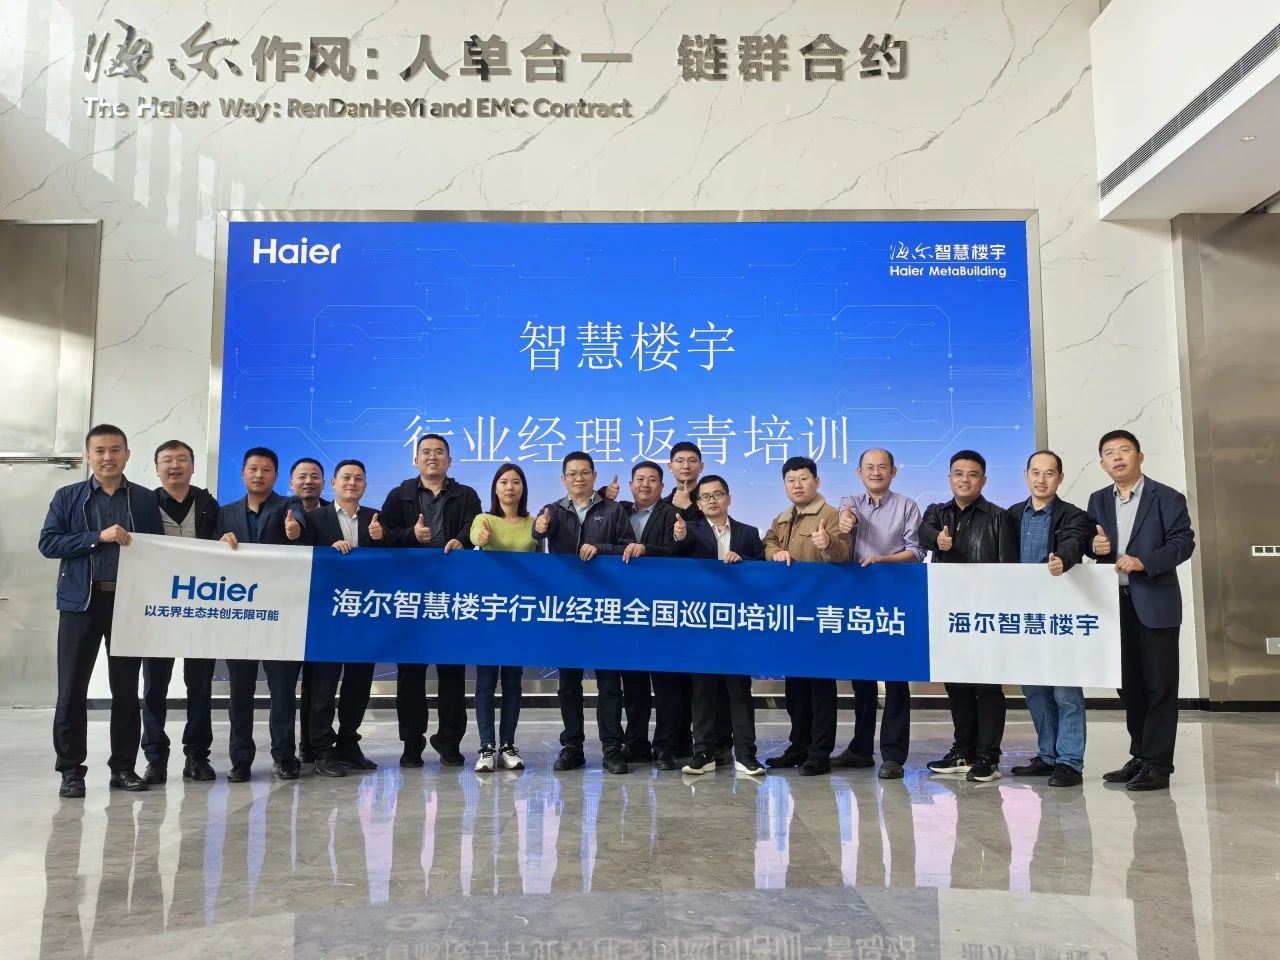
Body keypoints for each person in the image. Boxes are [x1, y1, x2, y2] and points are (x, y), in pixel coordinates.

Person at [39, 424, 165, 798]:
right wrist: (98, 537)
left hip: (127, 604)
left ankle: (123, 767)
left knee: (126, 690)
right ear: (88, 455)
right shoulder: (68, 496)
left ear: (127, 455)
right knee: (71, 689)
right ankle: (71, 771)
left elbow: (156, 549)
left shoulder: (144, 499)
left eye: (115, 450)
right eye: (100, 451)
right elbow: (48, 543)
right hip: (81, 603)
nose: (108, 457)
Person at [1087, 430, 1195, 791]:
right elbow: (1094, 547)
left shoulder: (1166, 497)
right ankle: (1141, 755)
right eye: (1109, 453)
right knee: (1129, 686)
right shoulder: (1098, 500)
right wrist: (1094, 546)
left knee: (1159, 686)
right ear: (1102, 463)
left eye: (1124, 450)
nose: (1117, 457)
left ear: (1140, 456)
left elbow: (1183, 543)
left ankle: (1158, 765)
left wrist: (1143, 562)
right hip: (1114, 605)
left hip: (1155, 603)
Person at [377, 433, 481, 768]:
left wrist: (462, 541)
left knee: (452, 672)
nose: (432, 456)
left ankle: (449, 742)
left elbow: (474, 528)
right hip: (412, 594)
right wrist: (411, 535)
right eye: (425, 452)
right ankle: (412, 744)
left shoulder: (466, 495)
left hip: (452, 593)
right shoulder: (399, 496)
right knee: (410, 673)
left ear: (449, 460)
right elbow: (383, 537)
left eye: (439, 452)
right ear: (416, 460)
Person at [532, 451, 636, 773]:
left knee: (609, 682)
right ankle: (572, 746)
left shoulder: (613, 510)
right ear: (563, 479)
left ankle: (611, 748)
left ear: (594, 476)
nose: (579, 478)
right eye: (572, 473)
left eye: (584, 472)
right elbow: (538, 534)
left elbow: (628, 548)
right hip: (568, 608)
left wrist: (600, 549)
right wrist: (538, 528)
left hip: (606, 606)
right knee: (568, 683)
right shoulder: (552, 510)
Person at [216, 446, 310, 782]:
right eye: (253, 469)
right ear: (243, 473)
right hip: (239, 615)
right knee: (239, 691)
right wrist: (218, 541)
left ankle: (284, 756)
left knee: (282, 690)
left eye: (266, 470)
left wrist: (294, 530)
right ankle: (240, 759)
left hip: (279, 615)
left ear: (276, 476)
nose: (259, 475)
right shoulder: (225, 513)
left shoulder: (289, 505)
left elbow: (298, 523)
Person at [830, 448, 924, 780]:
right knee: (862, 680)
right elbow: (845, 517)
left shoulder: (907, 506)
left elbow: (916, 551)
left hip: (895, 600)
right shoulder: (850, 502)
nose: (875, 472)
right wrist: (846, 521)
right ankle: (860, 749)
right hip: (858, 601)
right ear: (859, 473)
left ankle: (894, 755)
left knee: (896, 680)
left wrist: (883, 561)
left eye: (882, 467)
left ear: (893, 472)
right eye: (869, 467)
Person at [919, 449, 1012, 782]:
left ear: (983, 480)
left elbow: (1008, 566)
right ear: (949, 478)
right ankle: (963, 751)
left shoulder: (999, 516)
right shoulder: (937, 511)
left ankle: (988, 756)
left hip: (986, 612)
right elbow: (923, 533)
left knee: (986, 687)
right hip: (949, 612)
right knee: (957, 684)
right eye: (958, 474)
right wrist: (937, 540)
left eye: (972, 474)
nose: (965, 480)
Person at [1004, 450, 1094, 787]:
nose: (1041, 480)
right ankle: (1048, 755)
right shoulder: (1011, 515)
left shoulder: (1074, 515)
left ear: (1060, 478)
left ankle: (1070, 761)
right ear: (1026, 475)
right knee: (1035, 690)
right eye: (1035, 472)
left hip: (1059, 616)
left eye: (1049, 473)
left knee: (1065, 691)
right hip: (1022, 615)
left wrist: (1063, 561)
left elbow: (1074, 542)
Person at [762, 456, 853, 776]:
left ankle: (819, 752)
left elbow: (843, 555)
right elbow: (768, 542)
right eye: (791, 480)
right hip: (791, 614)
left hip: (820, 613)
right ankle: (798, 745)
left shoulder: (832, 516)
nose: (797, 485)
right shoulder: (782, 518)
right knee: (796, 687)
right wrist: (774, 552)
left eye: (803, 479)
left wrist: (827, 543)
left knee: (820, 687)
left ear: (817, 481)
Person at [672, 475, 767, 776]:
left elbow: (763, 570)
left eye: (718, 494)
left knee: (739, 691)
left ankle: (747, 755)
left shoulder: (748, 533)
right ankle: (703, 753)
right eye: (705, 497)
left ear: (728, 498)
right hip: (701, 623)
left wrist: (745, 560)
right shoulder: (690, 530)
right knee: (702, 692)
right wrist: (679, 536)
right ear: (698, 504)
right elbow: (678, 554)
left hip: (737, 625)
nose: (712, 500)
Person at [141, 440, 221, 785]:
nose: (175, 466)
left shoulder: (209, 505)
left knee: (200, 686)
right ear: (156, 468)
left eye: (182, 459)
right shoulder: (142, 504)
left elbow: (223, 541)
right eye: (167, 460)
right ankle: (155, 758)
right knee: (154, 687)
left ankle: (197, 755)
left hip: (200, 609)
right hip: (157, 609)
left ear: (193, 466)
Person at [305, 459, 381, 777]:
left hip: (365, 616)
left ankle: (349, 743)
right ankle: (322, 751)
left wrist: (382, 538)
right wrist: (327, 549)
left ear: (365, 485)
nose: (352, 482)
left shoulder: (376, 519)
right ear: (333, 483)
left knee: (358, 684)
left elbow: (393, 559)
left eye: (358, 478)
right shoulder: (315, 518)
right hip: (328, 616)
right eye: (346, 477)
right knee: (324, 686)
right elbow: (302, 555)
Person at [470, 463, 539, 773]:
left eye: (515, 482)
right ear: (495, 488)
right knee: (485, 682)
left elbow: (541, 563)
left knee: (512, 682)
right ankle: (486, 747)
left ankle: (508, 745)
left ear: (523, 488)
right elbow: (475, 536)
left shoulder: (535, 523)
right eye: (503, 482)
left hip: (519, 611)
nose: (509, 487)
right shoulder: (484, 519)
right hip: (490, 610)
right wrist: (481, 536)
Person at [617, 461, 680, 766]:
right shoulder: (619, 512)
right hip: (628, 609)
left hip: (662, 608)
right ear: (631, 485)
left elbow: (677, 553)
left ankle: (665, 745)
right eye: (640, 479)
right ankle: (636, 743)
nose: (645, 484)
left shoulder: (671, 514)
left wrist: (646, 550)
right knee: (634, 683)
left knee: (666, 683)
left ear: (662, 487)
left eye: (652, 480)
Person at [289, 456, 328, 763]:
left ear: (324, 483)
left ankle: (313, 746)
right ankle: (284, 752)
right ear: (291, 482)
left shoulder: (332, 514)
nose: (308, 481)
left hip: (326, 608)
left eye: (314, 476)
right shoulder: (280, 510)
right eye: (302, 476)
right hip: (288, 607)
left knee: (320, 686)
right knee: (286, 685)